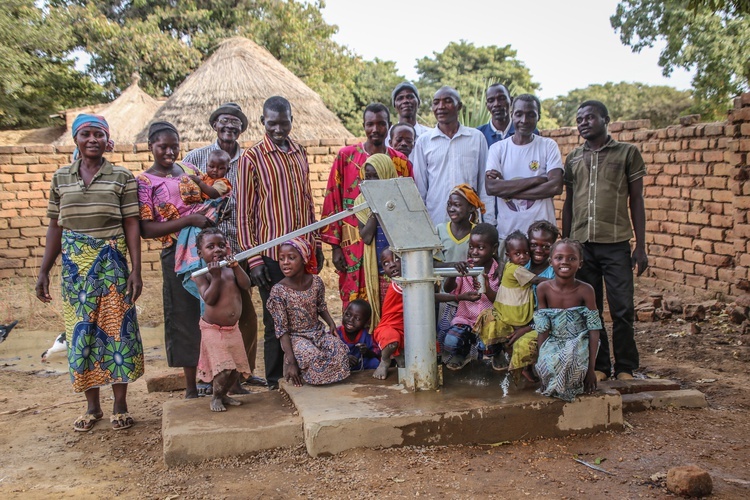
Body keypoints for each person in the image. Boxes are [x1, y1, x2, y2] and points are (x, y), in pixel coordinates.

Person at [36, 114, 144, 431]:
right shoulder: (61, 178)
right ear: (76, 139)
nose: (92, 139)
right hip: (73, 270)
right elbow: (55, 226)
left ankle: (120, 405)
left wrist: (136, 269)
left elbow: (131, 224)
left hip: (111, 266)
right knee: (81, 335)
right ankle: (92, 407)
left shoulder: (122, 177)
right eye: (86, 134)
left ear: (107, 140)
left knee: (116, 333)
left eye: (99, 134)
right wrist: (44, 270)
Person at [236, 96, 323, 391]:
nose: (278, 128)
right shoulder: (252, 158)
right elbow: (244, 214)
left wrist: (317, 244)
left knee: (306, 315)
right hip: (272, 256)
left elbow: (308, 202)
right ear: (263, 122)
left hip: (304, 252)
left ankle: (304, 371)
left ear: (291, 121)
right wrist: (255, 259)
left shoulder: (299, 152)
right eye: (271, 123)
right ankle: (276, 381)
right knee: (276, 321)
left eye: (283, 122)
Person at [562, 100, 648, 381]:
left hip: (616, 243)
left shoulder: (627, 153)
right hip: (582, 247)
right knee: (591, 308)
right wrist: (566, 243)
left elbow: (636, 199)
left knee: (622, 307)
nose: (584, 122)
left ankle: (625, 366)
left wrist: (641, 246)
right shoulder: (574, 158)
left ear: (606, 119)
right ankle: (600, 366)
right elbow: (569, 202)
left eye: (590, 117)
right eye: (580, 119)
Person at [182, 102, 262, 387]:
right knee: (207, 309)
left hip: (238, 244)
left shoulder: (251, 160)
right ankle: (210, 376)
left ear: (242, 128)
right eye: (223, 122)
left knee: (243, 308)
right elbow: (183, 193)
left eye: (236, 123)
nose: (229, 127)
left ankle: (244, 373)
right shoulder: (195, 157)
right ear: (214, 125)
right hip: (202, 245)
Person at [137, 121, 213, 399]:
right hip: (175, 256)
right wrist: (189, 220)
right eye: (162, 147)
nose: (169, 152)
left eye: (174, 146)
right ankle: (191, 386)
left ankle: (215, 377)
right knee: (183, 317)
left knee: (212, 311)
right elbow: (146, 229)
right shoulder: (145, 182)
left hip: (207, 249)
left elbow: (212, 195)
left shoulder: (190, 171)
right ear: (151, 147)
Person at [320, 103, 412, 310]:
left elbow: (409, 206)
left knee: (391, 301)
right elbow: (332, 201)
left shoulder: (400, 162)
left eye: (381, 124)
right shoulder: (346, 157)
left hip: (389, 246)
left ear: (389, 126)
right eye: (370, 124)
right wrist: (335, 248)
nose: (375, 129)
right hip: (352, 244)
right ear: (363, 126)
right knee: (355, 304)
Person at [266, 238, 350, 386]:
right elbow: (282, 330)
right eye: (281, 258)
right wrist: (291, 361)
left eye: (291, 258)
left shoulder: (316, 282)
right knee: (314, 357)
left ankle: (313, 373)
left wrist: (331, 323)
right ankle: (303, 371)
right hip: (296, 338)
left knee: (340, 350)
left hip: (317, 332)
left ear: (304, 259)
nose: (285, 262)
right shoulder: (278, 291)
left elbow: (321, 306)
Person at [412, 86, 495, 227]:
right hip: (436, 222)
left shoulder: (476, 138)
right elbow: (420, 190)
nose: (441, 107)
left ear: (459, 106)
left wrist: (489, 223)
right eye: (436, 102)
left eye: (448, 101)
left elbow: (484, 185)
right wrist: (421, 226)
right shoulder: (424, 142)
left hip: (470, 223)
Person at [486, 94, 563, 245]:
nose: (524, 120)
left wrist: (507, 190)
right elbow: (491, 187)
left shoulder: (548, 145)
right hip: (509, 236)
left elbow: (555, 186)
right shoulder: (498, 148)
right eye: (519, 114)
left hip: (543, 237)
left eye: (531, 115)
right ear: (511, 115)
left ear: (538, 117)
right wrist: (537, 180)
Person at [193, 228, 252, 412]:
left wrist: (236, 266)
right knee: (224, 368)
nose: (217, 250)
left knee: (235, 369)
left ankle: (225, 395)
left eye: (221, 245)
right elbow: (209, 299)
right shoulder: (201, 274)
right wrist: (216, 277)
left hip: (232, 329)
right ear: (200, 253)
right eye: (211, 247)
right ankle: (216, 397)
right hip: (213, 329)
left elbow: (246, 284)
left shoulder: (230, 268)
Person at [534, 239, 602, 402]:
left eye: (571, 258)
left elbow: (594, 329)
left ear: (580, 263)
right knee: (547, 365)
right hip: (554, 340)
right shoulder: (543, 289)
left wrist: (591, 369)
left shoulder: (586, 290)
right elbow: (543, 328)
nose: (565, 262)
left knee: (570, 359)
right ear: (551, 262)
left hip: (578, 341)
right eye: (559, 257)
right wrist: (540, 361)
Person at [475, 231, 538, 372]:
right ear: (509, 255)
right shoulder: (517, 270)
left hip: (504, 313)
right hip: (514, 317)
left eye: (526, 252)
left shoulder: (509, 266)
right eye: (518, 254)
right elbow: (537, 280)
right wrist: (560, 281)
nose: (523, 256)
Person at [441, 223, 500, 370]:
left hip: (489, 321)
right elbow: (448, 289)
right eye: (471, 247)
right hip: (466, 319)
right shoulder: (466, 267)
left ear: (494, 249)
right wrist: (453, 274)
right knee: (451, 341)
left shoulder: (499, 270)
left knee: (488, 344)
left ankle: (497, 354)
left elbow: (500, 301)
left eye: (480, 248)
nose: (474, 252)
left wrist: (486, 287)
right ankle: (462, 353)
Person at [434, 185, 486, 345]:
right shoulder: (440, 230)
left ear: (471, 208)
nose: (452, 208)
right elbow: (434, 263)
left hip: (473, 299)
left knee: (471, 341)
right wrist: (454, 266)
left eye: (457, 205)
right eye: (449, 204)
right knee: (446, 341)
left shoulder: (478, 232)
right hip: (448, 296)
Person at [354, 154, 399, 330]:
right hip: (378, 268)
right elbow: (366, 237)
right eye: (368, 176)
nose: (371, 181)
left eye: (376, 176)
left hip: (401, 266)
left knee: (401, 313)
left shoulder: (399, 197)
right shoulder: (361, 201)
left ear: (386, 174)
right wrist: (374, 208)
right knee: (383, 312)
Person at [372, 248, 404, 380]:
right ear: (383, 271)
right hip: (389, 327)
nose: (392, 264)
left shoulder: (406, 281)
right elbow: (431, 296)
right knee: (392, 341)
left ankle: (398, 357)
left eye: (396, 259)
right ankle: (385, 360)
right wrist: (457, 298)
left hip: (404, 329)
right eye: (386, 263)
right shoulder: (398, 284)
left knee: (405, 366)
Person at [477, 84, 540, 148]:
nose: (496, 104)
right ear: (486, 105)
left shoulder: (530, 131)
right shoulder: (478, 134)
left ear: (511, 100)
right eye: (491, 101)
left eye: (502, 98)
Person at [336, 300, 381, 371]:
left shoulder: (368, 335)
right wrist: (343, 358)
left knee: (375, 363)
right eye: (348, 314)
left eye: (357, 318)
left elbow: (377, 353)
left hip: (360, 364)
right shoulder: (335, 333)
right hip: (340, 366)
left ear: (366, 322)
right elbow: (325, 354)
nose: (350, 320)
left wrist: (367, 352)